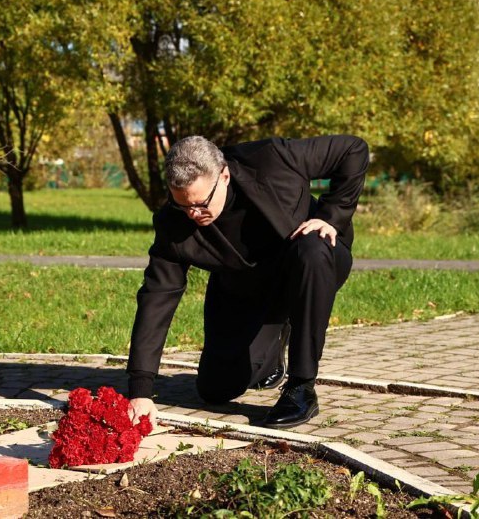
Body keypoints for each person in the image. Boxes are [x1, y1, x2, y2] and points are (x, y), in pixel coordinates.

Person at [127, 134, 368, 429]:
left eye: (201, 204)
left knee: (313, 247)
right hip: (245, 288)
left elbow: (352, 149)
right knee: (216, 389)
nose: (193, 214)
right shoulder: (173, 223)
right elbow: (157, 297)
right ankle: (275, 344)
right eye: (183, 205)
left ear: (224, 176)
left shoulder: (272, 158)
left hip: (310, 265)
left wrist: (332, 215)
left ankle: (301, 387)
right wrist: (140, 389)